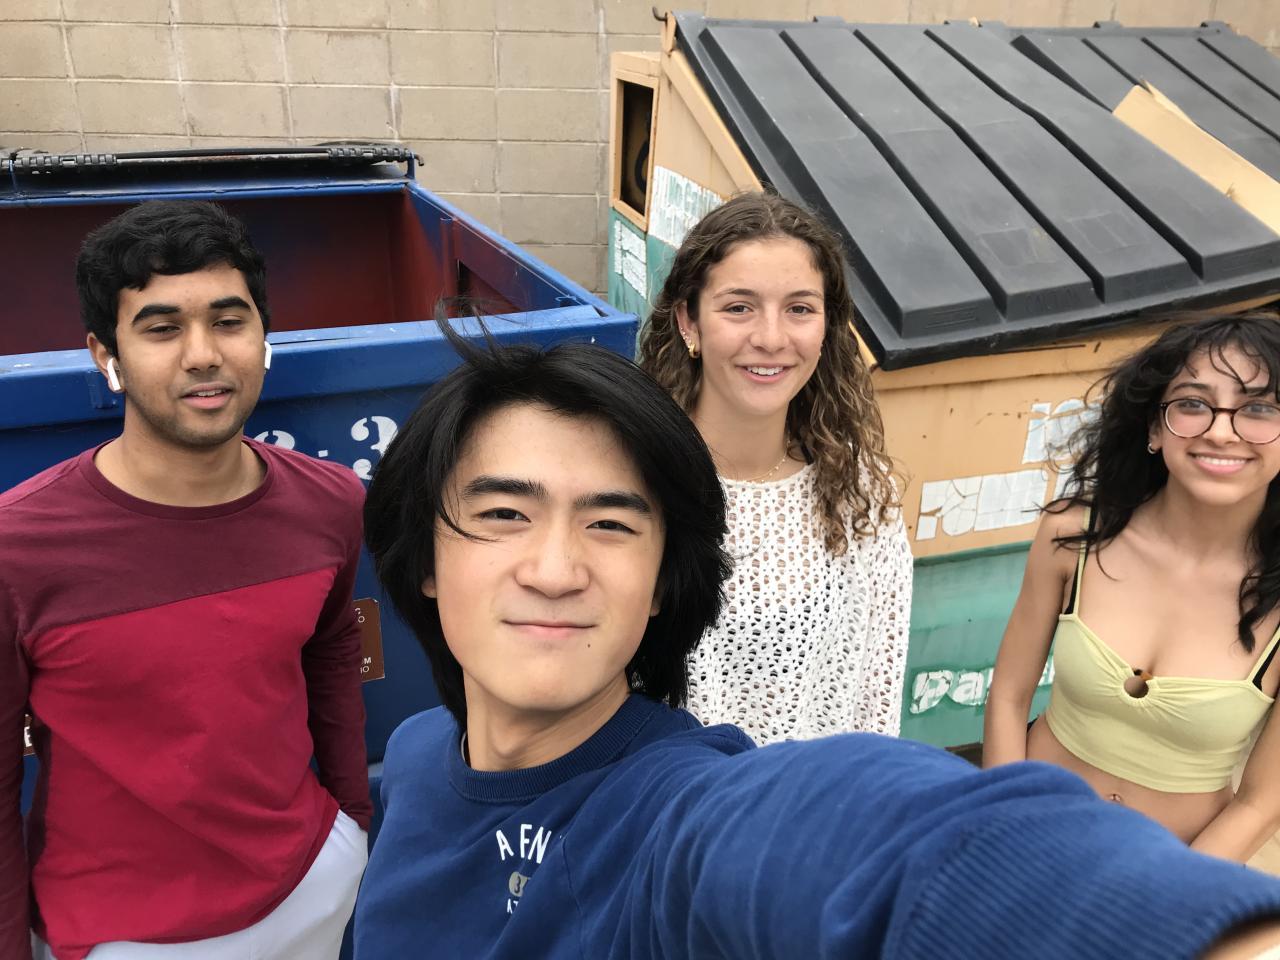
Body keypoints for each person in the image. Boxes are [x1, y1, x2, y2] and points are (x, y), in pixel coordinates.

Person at [353, 325, 1280, 960]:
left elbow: (866, 831)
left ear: (664, 584)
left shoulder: (677, 814)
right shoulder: (416, 761)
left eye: (610, 525)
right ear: (423, 558)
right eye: (504, 514)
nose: (555, 569)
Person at [0, 200, 371, 960]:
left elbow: (332, 658)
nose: (203, 355)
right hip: (116, 935)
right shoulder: (18, 548)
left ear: (263, 337)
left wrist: (353, 826)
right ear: (105, 355)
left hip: (313, 887)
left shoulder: (331, 502)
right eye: (162, 329)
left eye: (229, 321)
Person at [985, 315, 1280, 872]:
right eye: (1193, 404)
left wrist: (1164, 897)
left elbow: (1262, 803)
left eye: (1259, 409)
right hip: (1023, 836)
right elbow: (1008, 695)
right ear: (1153, 427)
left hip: (1174, 877)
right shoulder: (1073, 533)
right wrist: (1001, 826)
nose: (1222, 432)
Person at [636, 192, 911, 743]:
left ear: (827, 326)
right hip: (664, 793)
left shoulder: (862, 491)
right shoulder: (633, 478)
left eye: (799, 308)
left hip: (812, 794)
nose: (770, 338)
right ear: (689, 321)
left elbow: (875, 700)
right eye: (739, 307)